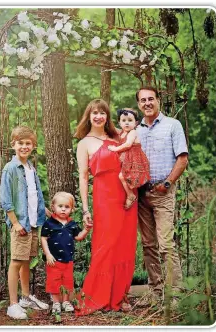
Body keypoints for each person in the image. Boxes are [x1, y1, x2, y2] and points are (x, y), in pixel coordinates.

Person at [74, 99, 138, 315]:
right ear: (89, 116)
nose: (99, 116)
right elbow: (83, 178)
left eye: (103, 112)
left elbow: (133, 151)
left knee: (124, 245)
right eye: (94, 113)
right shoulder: (84, 143)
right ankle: (97, 296)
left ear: (107, 116)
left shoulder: (117, 137)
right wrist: (85, 209)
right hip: (103, 198)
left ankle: (120, 296)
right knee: (105, 245)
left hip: (126, 195)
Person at [136, 86, 188, 302]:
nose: (147, 103)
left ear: (158, 100)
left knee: (166, 244)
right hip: (141, 194)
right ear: (139, 104)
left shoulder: (172, 125)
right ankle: (155, 292)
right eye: (143, 100)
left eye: (151, 99)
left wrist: (167, 183)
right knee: (148, 245)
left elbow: (182, 158)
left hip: (162, 192)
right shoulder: (135, 130)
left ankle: (175, 293)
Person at [0, 126, 50, 319]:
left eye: (28, 143)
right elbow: (6, 200)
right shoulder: (11, 168)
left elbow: (33, 195)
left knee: (26, 260)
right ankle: (12, 304)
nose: (24, 146)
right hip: (20, 224)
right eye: (20, 143)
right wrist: (15, 223)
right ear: (13, 144)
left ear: (33, 145)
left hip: (33, 222)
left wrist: (45, 211)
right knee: (16, 261)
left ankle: (26, 297)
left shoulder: (30, 167)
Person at [41, 192, 90, 314]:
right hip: (53, 259)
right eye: (60, 206)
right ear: (53, 207)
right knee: (54, 281)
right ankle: (56, 302)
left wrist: (86, 230)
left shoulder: (72, 224)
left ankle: (66, 301)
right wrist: (47, 254)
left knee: (67, 281)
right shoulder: (49, 224)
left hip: (68, 259)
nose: (63, 209)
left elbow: (78, 237)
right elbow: (43, 239)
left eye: (67, 207)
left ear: (72, 209)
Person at [108, 108, 150, 209]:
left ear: (136, 123)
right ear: (119, 122)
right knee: (121, 176)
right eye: (124, 120)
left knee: (122, 176)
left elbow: (127, 144)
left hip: (135, 159)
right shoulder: (122, 133)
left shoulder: (133, 132)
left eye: (130, 120)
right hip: (127, 160)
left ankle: (130, 195)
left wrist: (115, 149)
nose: (127, 123)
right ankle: (128, 194)